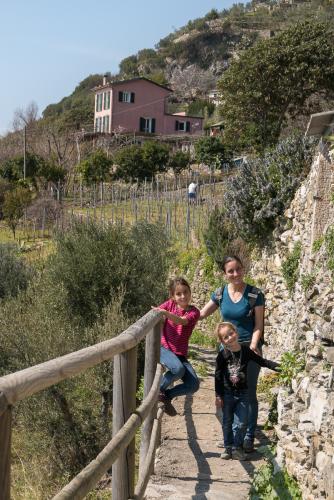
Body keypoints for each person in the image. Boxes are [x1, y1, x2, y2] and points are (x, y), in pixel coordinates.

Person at [200, 255, 265, 452]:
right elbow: (201, 314)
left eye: (238, 269)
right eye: (231, 271)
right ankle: (232, 436)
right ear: (225, 274)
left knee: (248, 394)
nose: (235, 274)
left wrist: (254, 344)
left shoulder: (255, 294)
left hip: (248, 350)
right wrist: (175, 314)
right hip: (227, 352)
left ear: (243, 268)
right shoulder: (220, 294)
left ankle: (248, 436)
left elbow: (259, 325)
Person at [215, 322, 280, 460]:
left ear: (236, 332)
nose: (230, 338)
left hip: (242, 394)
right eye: (225, 337)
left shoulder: (246, 351)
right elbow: (218, 376)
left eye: (231, 333)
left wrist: (280, 367)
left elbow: (262, 361)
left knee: (242, 422)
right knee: (227, 421)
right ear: (222, 341)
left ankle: (237, 447)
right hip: (227, 394)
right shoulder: (222, 355)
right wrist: (218, 395)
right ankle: (228, 447)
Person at [152, 277, 200, 416]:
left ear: (190, 292)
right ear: (172, 296)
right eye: (178, 294)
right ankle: (156, 391)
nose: (183, 296)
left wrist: (166, 314)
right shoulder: (170, 304)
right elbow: (156, 312)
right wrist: (159, 313)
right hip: (164, 348)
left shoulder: (194, 312)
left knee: (194, 384)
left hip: (179, 353)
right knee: (178, 369)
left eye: (185, 292)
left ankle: (166, 395)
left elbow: (182, 322)